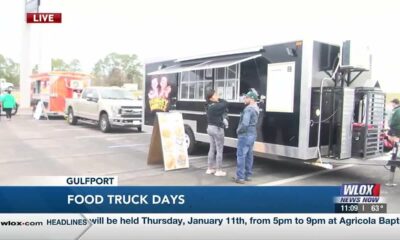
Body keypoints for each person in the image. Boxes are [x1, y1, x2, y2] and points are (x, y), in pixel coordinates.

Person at [234, 90, 260, 184]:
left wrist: (238, 130)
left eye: (247, 97)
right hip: (252, 134)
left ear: (252, 99)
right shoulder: (256, 108)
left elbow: (245, 123)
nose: (244, 99)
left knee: (241, 155)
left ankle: (240, 177)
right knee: (249, 155)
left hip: (245, 134)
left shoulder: (248, 109)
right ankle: (248, 175)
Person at [205, 89, 228, 177]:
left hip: (210, 128)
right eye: (215, 94)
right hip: (217, 129)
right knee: (219, 150)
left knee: (212, 148)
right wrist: (219, 99)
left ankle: (209, 168)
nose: (217, 95)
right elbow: (225, 103)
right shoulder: (216, 106)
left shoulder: (208, 105)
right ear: (211, 97)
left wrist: (216, 98)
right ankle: (219, 170)